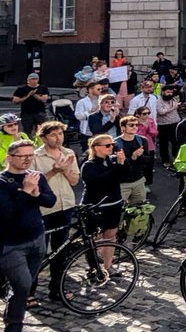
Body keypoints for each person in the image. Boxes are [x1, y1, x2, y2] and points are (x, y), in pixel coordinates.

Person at [0, 138, 56, 332]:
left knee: (25, 284)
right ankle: (14, 328)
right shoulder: (2, 181)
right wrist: (25, 192)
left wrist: (36, 194)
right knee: (23, 285)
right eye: (21, 156)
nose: (26, 160)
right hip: (11, 244)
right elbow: (5, 214)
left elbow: (50, 201)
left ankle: (13, 312)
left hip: (37, 238)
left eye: (30, 156)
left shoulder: (36, 176)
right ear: (9, 157)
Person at [30, 122, 79, 304]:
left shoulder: (69, 153)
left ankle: (57, 288)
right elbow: (34, 185)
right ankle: (29, 292)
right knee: (38, 252)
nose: (58, 138)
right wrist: (53, 171)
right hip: (43, 209)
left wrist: (65, 169)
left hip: (65, 204)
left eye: (60, 134)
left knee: (61, 250)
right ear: (44, 137)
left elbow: (74, 181)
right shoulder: (35, 156)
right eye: (54, 135)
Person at [80, 134, 127, 269]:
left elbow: (124, 176)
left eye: (112, 145)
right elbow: (99, 181)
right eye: (107, 145)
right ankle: (94, 268)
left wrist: (123, 162)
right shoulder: (88, 165)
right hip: (96, 206)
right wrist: (117, 167)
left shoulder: (113, 160)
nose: (111, 147)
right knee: (94, 238)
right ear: (96, 148)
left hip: (114, 204)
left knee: (111, 236)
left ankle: (108, 266)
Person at [114, 114, 151, 204]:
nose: (135, 127)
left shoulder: (142, 140)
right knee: (119, 211)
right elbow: (115, 165)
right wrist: (133, 157)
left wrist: (139, 156)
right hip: (122, 183)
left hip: (139, 181)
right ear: (122, 128)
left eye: (136, 125)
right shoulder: (115, 143)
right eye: (131, 125)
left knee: (140, 210)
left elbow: (148, 159)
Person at [10, 73, 50, 138]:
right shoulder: (21, 89)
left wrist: (34, 95)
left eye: (36, 79)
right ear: (28, 80)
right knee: (27, 131)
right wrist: (28, 96)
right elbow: (15, 101)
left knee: (42, 131)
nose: (34, 81)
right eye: (32, 79)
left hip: (40, 112)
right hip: (27, 113)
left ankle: (40, 144)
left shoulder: (43, 88)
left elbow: (44, 99)